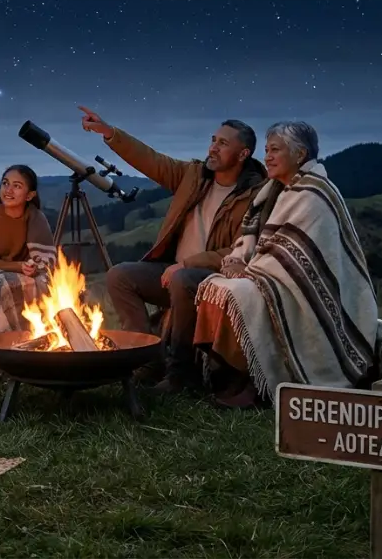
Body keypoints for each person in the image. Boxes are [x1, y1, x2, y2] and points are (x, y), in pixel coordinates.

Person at [193, 121, 381, 410]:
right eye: (266, 150)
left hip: (306, 290)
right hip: (273, 276)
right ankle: (230, 381)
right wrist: (235, 261)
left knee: (236, 294)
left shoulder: (315, 193)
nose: (267, 156)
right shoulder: (272, 191)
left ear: (300, 154)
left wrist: (250, 272)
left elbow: (296, 255)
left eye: (275, 150)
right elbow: (253, 241)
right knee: (215, 286)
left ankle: (254, 388)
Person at [79, 105, 268, 392]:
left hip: (212, 278)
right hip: (174, 271)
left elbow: (240, 249)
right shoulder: (193, 176)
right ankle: (148, 360)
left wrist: (189, 263)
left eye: (223, 143)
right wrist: (110, 133)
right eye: (213, 140)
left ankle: (182, 375)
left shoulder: (255, 195)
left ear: (243, 154)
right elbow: (151, 160)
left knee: (181, 279)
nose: (213, 148)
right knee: (120, 275)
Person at [0, 165, 58, 378]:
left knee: (47, 284)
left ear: (30, 195)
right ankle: (3, 355)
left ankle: (46, 348)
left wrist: (33, 268)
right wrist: (19, 267)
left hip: (27, 272)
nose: (8, 190)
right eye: (5, 183)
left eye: (17, 186)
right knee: (11, 284)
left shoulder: (35, 217)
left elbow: (44, 258)